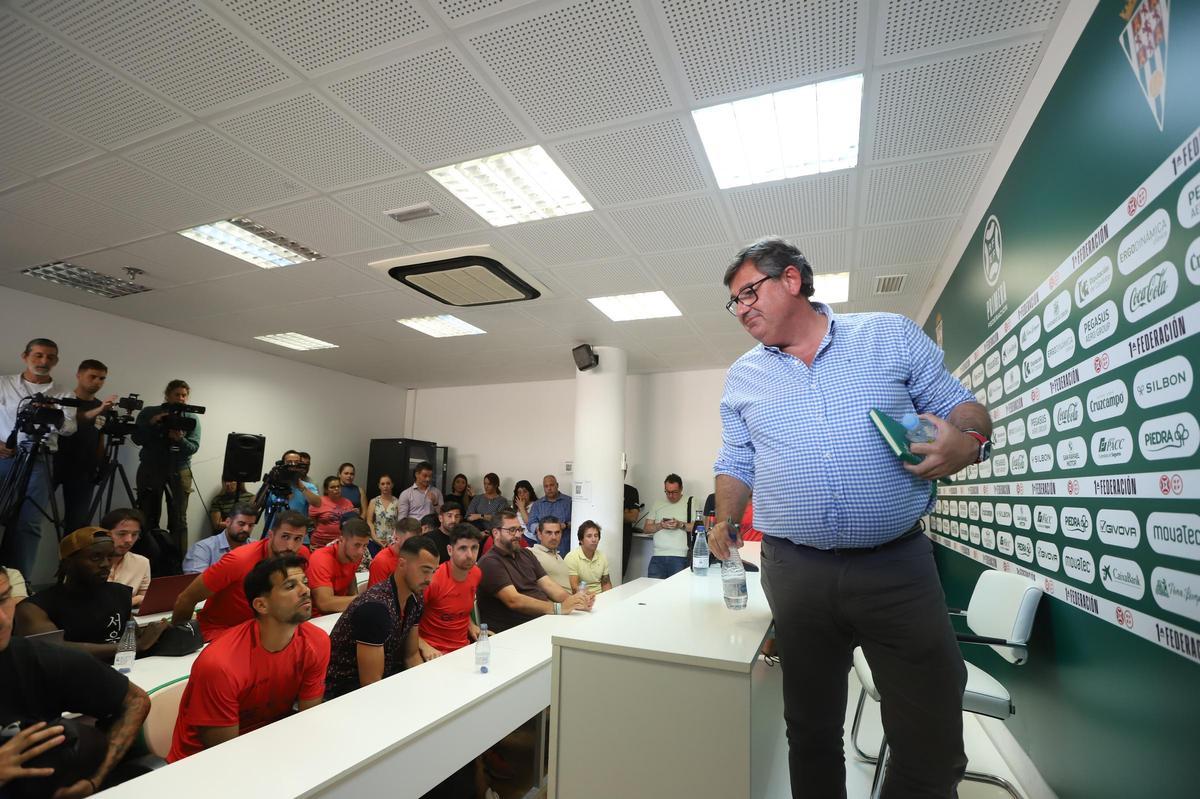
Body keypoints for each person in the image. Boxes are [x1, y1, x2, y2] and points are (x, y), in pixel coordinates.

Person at [709, 237, 989, 798]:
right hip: (796, 571)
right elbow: (737, 458)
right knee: (810, 729)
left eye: (748, 293)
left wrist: (971, 439)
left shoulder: (886, 335)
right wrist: (725, 516)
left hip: (898, 568)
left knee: (929, 735)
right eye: (733, 303)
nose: (741, 309)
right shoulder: (743, 377)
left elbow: (960, 403)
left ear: (791, 280)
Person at [1, 566, 151, 797]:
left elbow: (135, 700)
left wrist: (95, 780)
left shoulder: (37, 658)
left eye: (3, 600)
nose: (2, 620)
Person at [167, 554, 329, 762]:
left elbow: (308, 720)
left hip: (272, 746)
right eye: (290, 586)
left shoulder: (317, 642)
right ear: (261, 605)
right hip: (201, 764)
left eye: (304, 582)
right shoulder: (221, 664)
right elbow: (224, 754)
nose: (306, 590)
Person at [15, 527, 168, 662]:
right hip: (67, 682)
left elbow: (133, 635)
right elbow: (52, 650)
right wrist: (135, 646)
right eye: (95, 557)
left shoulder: (119, 593)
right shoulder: (34, 607)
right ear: (68, 563)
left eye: (110, 557)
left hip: (122, 673)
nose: (105, 564)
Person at [324, 536, 439, 700]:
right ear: (402, 564)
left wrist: (426, 693)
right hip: (342, 694)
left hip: (383, 680)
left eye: (433, 572)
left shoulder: (415, 598)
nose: (430, 579)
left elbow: (411, 656)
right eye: (425, 571)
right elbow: (371, 684)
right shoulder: (375, 609)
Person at [0, 338, 77, 580]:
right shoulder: (3, 384)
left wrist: (55, 416)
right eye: (38, 355)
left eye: (50, 357)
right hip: (4, 456)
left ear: (56, 361)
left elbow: (70, 429)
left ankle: (20, 585)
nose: (44, 361)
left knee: (29, 524)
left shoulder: (63, 393)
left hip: (39, 460)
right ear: (25, 356)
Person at [173, 510, 310, 641]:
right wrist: (181, 642)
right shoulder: (239, 560)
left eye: (298, 538)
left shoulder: (300, 555)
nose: (291, 546)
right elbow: (186, 599)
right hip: (221, 633)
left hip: (269, 630)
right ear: (271, 535)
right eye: (285, 537)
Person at [476, 511, 591, 634]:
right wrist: (558, 608)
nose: (518, 535)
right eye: (512, 530)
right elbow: (514, 601)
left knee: (587, 628)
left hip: (542, 621)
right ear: (496, 533)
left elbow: (548, 585)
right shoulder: (490, 562)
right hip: (514, 632)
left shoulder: (525, 554)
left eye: (519, 529)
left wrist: (575, 602)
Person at [132, 379, 200, 553]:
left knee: (178, 520)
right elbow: (137, 438)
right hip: (151, 468)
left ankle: (178, 565)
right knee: (147, 516)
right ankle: (148, 560)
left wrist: (180, 439)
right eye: (177, 394)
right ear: (167, 395)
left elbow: (193, 448)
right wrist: (153, 423)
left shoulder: (191, 417)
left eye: (184, 395)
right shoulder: (149, 412)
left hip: (180, 470)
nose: (181, 398)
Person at [53, 359, 116, 533]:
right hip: (54, 465)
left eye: (102, 378)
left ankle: (69, 561)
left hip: (84, 470)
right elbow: (75, 419)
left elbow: (100, 437)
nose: (97, 382)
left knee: (77, 526)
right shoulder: (63, 400)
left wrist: (100, 464)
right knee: (32, 516)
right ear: (79, 376)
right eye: (93, 376)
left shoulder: (101, 406)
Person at [417, 524, 485, 657]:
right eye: (463, 548)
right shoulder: (433, 580)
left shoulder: (476, 573)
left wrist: (470, 625)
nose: (470, 555)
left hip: (464, 649)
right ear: (449, 550)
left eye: (474, 548)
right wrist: (424, 646)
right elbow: (404, 622)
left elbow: (459, 609)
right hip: (435, 653)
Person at [307, 518, 370, 614]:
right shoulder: (321, 559)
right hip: (318, 617)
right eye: (357, 545)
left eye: (365, 545)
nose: (361, 551)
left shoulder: (354, 555)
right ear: (341, 540)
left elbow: (351, 577)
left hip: (340, 611)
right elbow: (324, 604)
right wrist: (362, 600)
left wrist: (356, 598)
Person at [643, 474, 693, 578]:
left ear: (681, 489)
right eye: (667, 492)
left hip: (680, 557)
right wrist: (660, 525)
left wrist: (680, 524)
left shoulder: (691, 502)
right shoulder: (657, 503)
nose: (670, 495)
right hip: (657, 556)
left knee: (677, 593)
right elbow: (646, 529)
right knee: (653, 592)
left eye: (674, 492)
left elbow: (697, 528)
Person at [183, 503, 256, 574]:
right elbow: (195, 583)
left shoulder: (256, 547)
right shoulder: (203, 548)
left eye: (251, 525)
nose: (246, 529)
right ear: (228, 522)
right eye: (241, 524)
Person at [100, 508, 151, 607]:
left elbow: (145, 600)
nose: (129, 540)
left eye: (134, 534)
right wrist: (134, 600)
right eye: (122, 534)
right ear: (106, 533)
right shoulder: (89, 563)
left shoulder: (141, 562)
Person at [368, 517, 421, 587]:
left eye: (418, 540)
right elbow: (375, 595)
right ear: (396, 538)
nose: (415, 544)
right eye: (410, 541)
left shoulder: (417, 557)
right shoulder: (381, 561)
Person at [526, 474, 571, 554]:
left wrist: (566, 525)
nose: (549, 488)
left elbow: (578, 522)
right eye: (546, 486)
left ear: (557, 485)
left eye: (551, 485)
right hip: (543, 550)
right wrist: (541, 528)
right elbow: (530, 524)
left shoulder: (569, 502)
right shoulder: (538, 504)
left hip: (565, 548)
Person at [308, 475, 355, 549]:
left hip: (340, 544)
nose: (336, 489)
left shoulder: (348, 502)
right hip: (320, 544)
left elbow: (351, 523)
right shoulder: (319, 502)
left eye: (338, 486)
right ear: (326, 490)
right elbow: (312, 523)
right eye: (332, 487)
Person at [565, 520, 611, 594]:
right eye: (589, 536)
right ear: (581, 540)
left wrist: (608, 598)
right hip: (581, 597)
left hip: (601, 597)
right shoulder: (571, 557)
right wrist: (592, 596)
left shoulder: (602, 556)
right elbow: (574, 588)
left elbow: (606, 583)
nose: (593, 539)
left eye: (596, 536)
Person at [529, 516, 571, 592]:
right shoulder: (531, 553)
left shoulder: (558, 556)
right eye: (548, 532)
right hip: (557, 602)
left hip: (573, 600)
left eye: (557, 532)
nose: (554, 537)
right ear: (539, 534)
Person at [365, 473, 401, 552]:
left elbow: (399, 522)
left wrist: (393, 539)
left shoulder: (397, 502)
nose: (385, 486)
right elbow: (369, 521)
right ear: (379, 486)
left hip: (391, 542)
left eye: (388, 483)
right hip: (375, 540)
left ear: (392, 485)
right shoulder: (374, 501)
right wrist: (375, 537)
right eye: (383, 484)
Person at [622, 484, 644, 578]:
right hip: (599, 539)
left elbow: (633, 517)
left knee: (618, 575)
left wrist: (612, 513)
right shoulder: (599, 485)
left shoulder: (630, 491)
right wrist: (625, 511)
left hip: (623, 540)